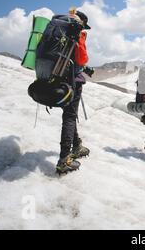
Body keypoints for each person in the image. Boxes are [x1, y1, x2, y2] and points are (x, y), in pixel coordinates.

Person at [56, 9, 95, 174]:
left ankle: (77, 145)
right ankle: (64, 158)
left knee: (69, 114)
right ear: (81, 23)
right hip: (72, 81)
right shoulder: (76, 31)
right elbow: (80, 58)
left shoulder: (60, 30)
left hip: (58, 79)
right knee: (70, 116)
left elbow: (70, 57)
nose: (84, 29)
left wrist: (84, 68)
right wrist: (84, 64)